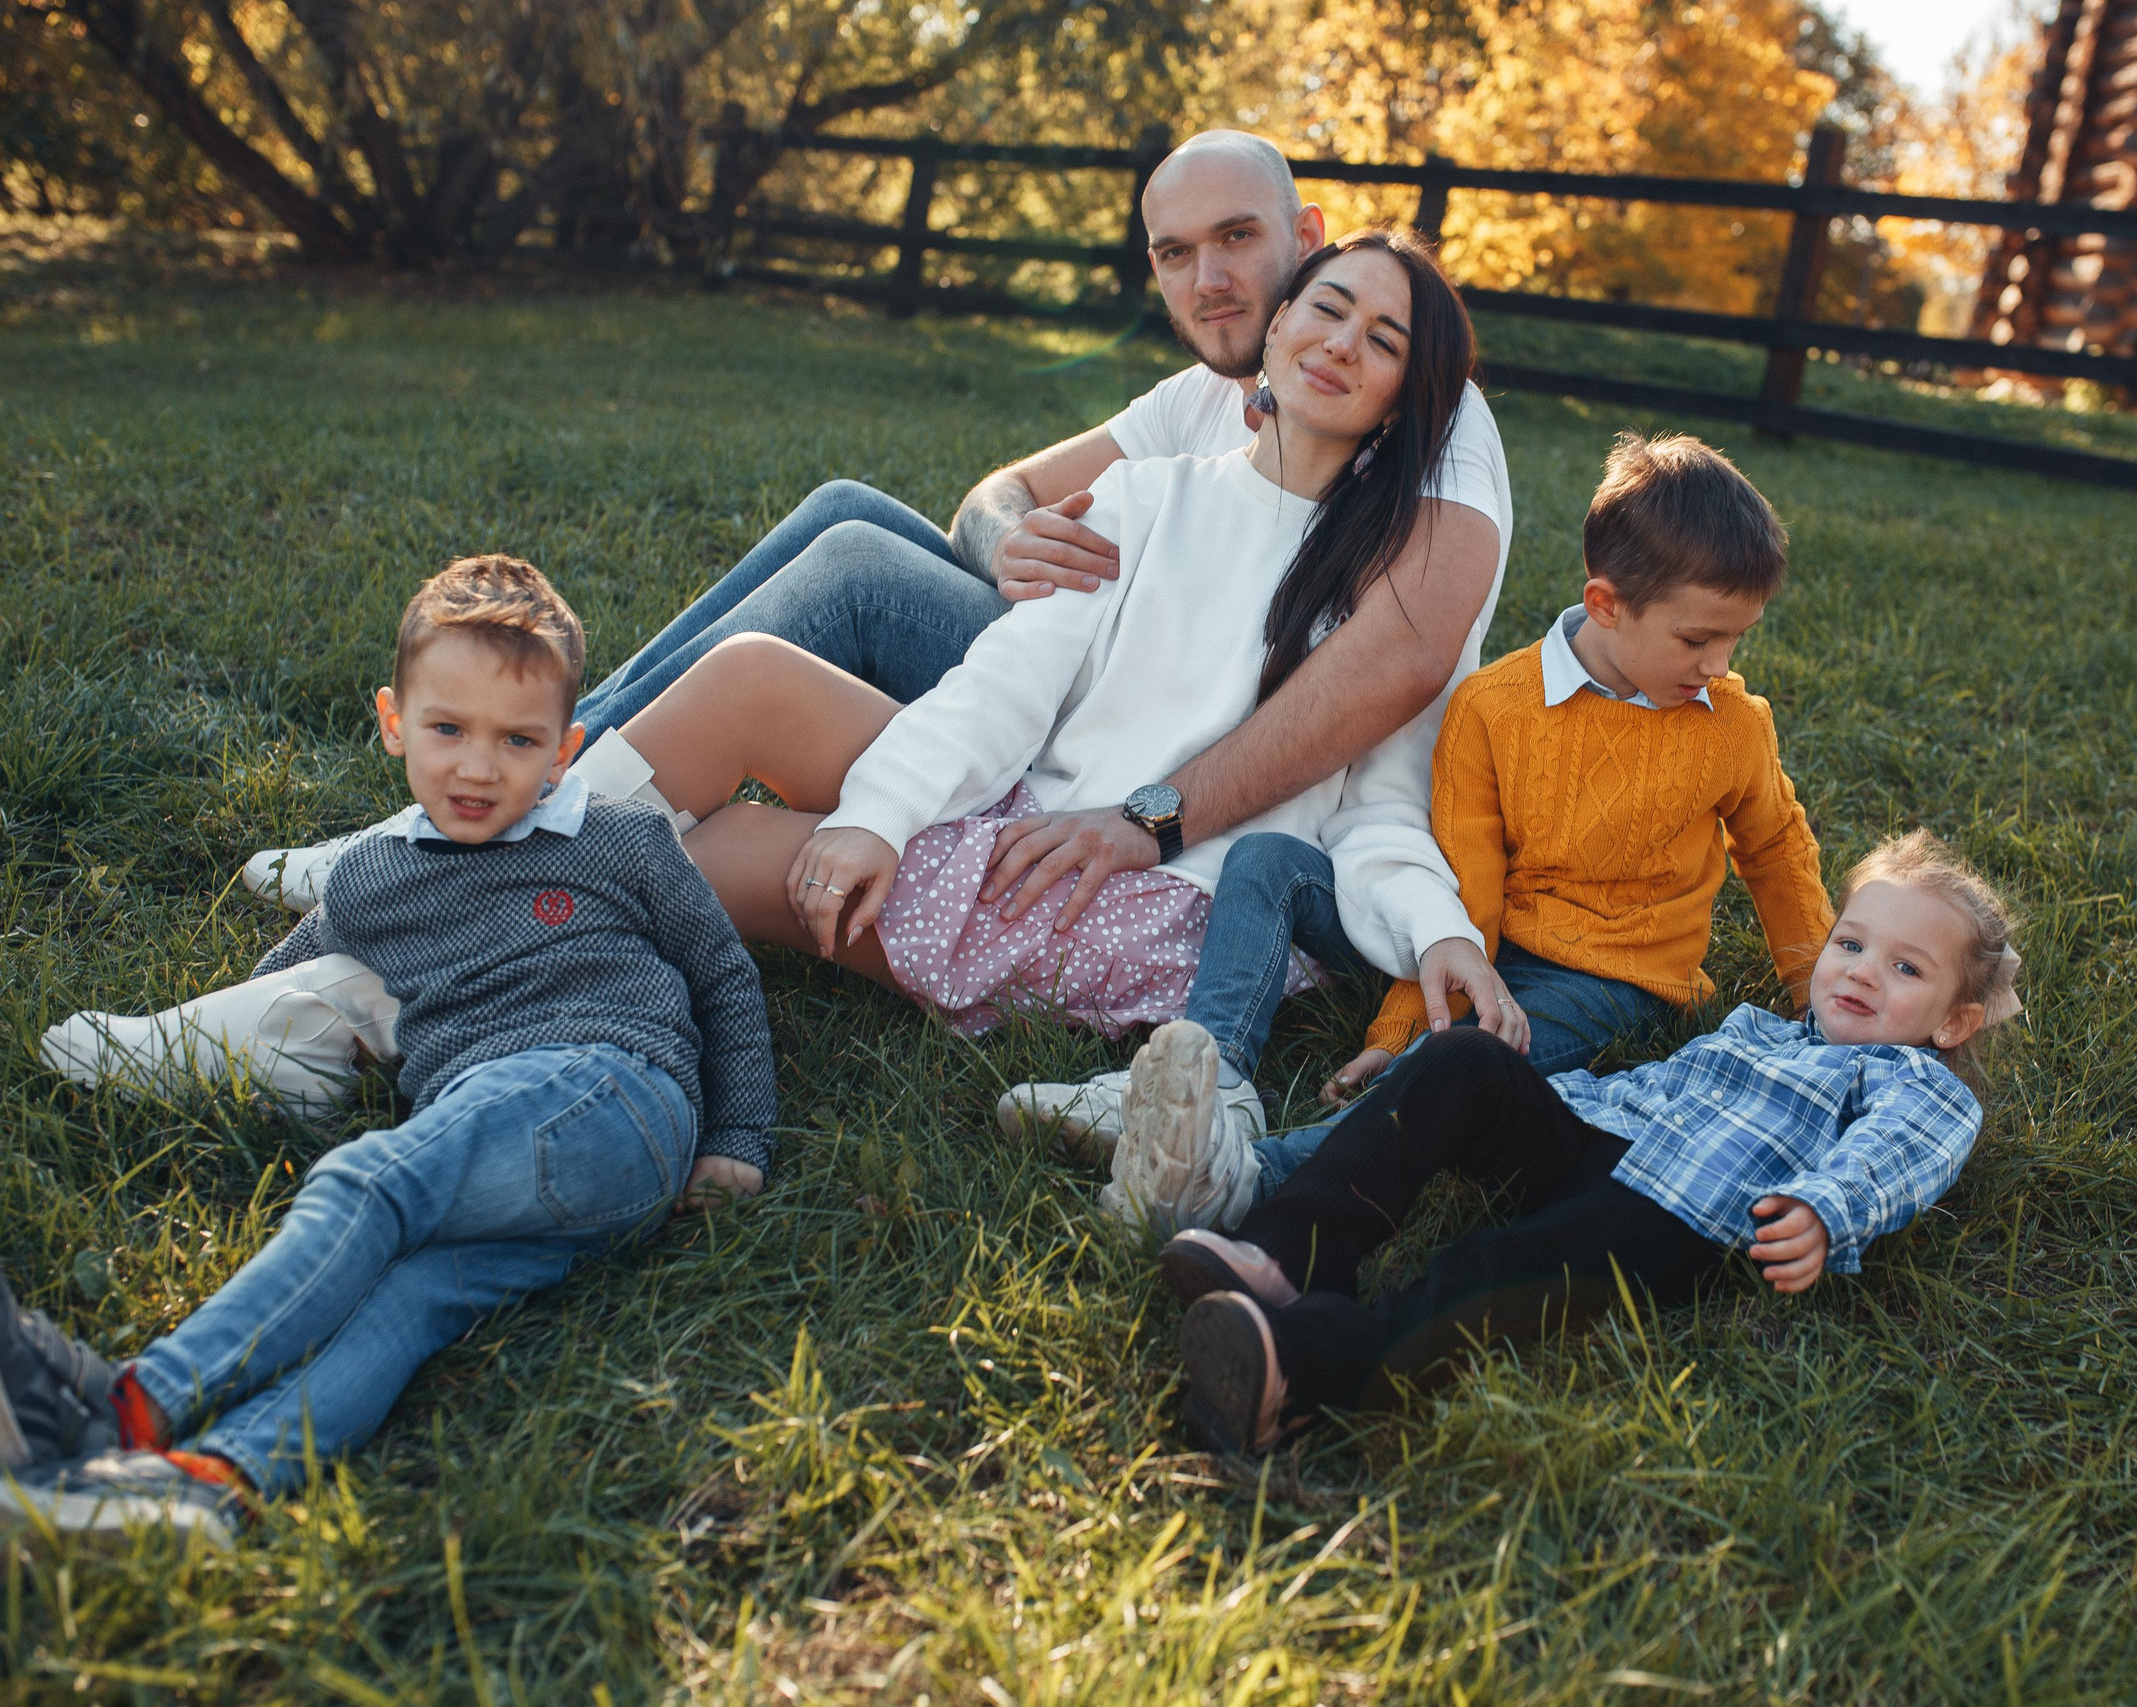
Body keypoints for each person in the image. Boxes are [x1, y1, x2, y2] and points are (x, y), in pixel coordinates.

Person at [240, 132, 1513, 1037]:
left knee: (842, 576)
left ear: (1301, 244)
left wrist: (1155, 820)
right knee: (849, 519)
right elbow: (999, 499)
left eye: (1240, 241)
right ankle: (503, 804)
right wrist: (1007, 538)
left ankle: (461, 866)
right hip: (1056, 723)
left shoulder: (1428, 434)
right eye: (1176, 254)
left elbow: (1396, 681)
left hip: (1157, 832)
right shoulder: (1192, 421)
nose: (1211, 281)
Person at [530, 230, 1507, 1066]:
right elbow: (1004, 682)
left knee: (724, 853)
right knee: (750, 677)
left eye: (1382, 342)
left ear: (1401, 401)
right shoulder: (1143, 496)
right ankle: (467, 873)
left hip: (1158, 904)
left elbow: (1382, 809)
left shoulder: (1389, 590)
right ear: (1279, 322)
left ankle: (461, 947)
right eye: (1327, 309)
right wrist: (878, 814)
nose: (1341, 343)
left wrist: (1437, 929)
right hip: (1033, 809)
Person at [12, 558, 774, 1543]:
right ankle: (214, 1481)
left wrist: (739, 1138)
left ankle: (128, 1405)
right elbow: (278, 973)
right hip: (530, 1177)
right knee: (411, 1297)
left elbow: (722, 978)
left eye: (518, 741)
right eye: (446, 729)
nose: (475, 767)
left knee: (368, 1184)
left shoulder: (618, 840)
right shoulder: (376, 875)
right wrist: (202, 1031)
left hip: (608, 1091)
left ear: (564, 749)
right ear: (392, 722)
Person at [1104, 432, 1834, 1236]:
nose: (1719, 664)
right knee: (1270, 862)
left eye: (1736, 638)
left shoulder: (1732, 724)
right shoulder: (1494, 706)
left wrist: (1824, 1011)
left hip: (1611, 977)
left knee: (1449, 1070)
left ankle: (1239, 1178)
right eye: (1697, 639)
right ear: (1606, 604)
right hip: (1475, 943)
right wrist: (1405, 1020)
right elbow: (1468, 886)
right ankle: (1212, 1074)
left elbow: (1776, 852)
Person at [1140, 830, 2024, 1454]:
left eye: (1907, 968)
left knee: (1498, 1264)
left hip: (1678, 1218)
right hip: (1603, 1143)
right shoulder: (1761, 1028)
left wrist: (1827, 1211)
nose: (1864, 971)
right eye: (1852, 943)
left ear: (1957, 1021)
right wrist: (1526, 1102)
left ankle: (1304, 1372)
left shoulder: (1913, 1081)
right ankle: (1289, 1251)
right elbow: (1644, 1089)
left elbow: (1908, 1151)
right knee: (1463, 1062)